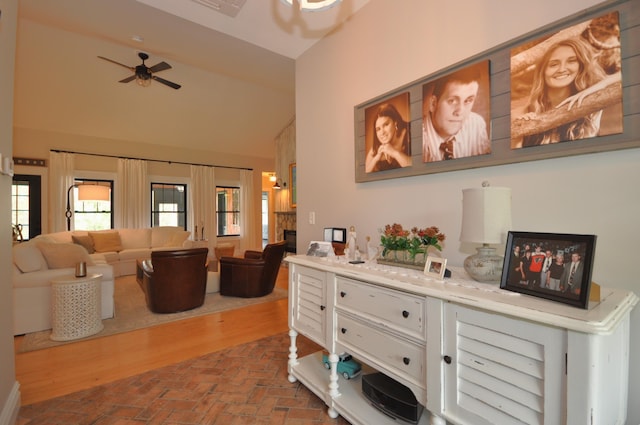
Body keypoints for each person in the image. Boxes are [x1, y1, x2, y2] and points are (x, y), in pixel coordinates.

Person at [518, 37, 610, 147]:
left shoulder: (591, 101)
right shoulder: (526, 111)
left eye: (571, 61)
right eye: (553, 64)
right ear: (543, 71)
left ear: (581, 66)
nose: (562, 69)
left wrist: (601, 85)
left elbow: (628, 75)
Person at [422, 66, 490, 162]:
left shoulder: (476, 125)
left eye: (468, 100)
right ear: (433, 103)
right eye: (452, 101)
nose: (460, 112)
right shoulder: (417, 141)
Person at [365, 103, 411, 173]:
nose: (382, 132)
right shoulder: (377, 147)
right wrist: (376, 159)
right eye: (378, 129)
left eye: (386, 125)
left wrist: (394, 152)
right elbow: (364, 173)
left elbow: (418, 165)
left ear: (395, 122)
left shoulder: (409, 132)